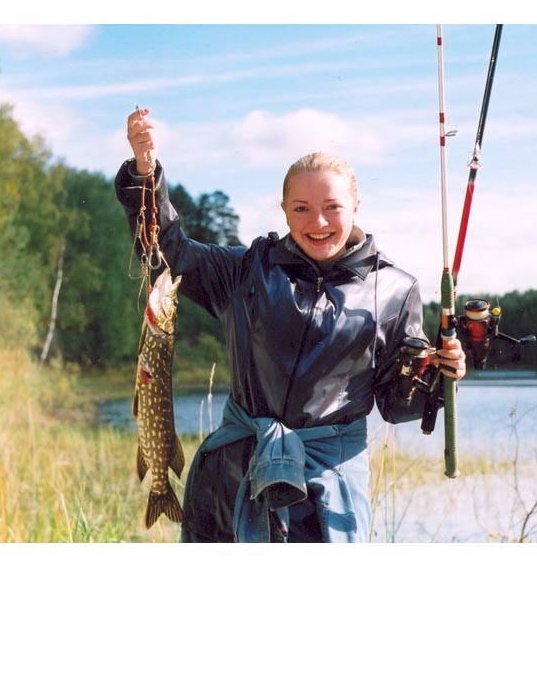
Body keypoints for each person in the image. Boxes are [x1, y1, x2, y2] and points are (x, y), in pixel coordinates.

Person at [116, 107, 467, 543]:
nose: (317, 223)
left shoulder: (395, 289)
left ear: (355, 206)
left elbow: (396, 405)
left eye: (332, 207)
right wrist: (145, 170)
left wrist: (440, 376)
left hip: (326, 489)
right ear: (284, 210)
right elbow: (166, 252)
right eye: (302, 208)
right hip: (233, 476)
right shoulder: (246, 270)